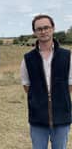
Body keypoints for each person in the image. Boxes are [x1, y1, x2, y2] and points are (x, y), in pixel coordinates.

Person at [20, 14, 72, 149]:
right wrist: (40, 98)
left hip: (62, 116)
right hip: (38, 117)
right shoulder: (28, 58)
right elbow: (26, 85)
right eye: (39, 29)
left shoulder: (67, 56)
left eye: (46, 27)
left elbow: (70, 84)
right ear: (34, 32)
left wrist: (57, 98)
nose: (43, 31)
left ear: (53, 29)